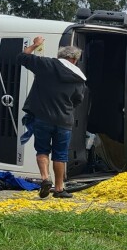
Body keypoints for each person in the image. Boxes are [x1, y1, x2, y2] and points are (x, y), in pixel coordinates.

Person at [17, 36, 87, 198]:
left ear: (60, 56)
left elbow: (21, 57)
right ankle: (59, 189)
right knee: (60, 155)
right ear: (74, 60)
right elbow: (78, 100)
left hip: (42, 118)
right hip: (64, 121)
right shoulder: (79, 78)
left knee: (42, 150)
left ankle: (44, 178)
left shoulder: (47, 64)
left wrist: (35, 45)